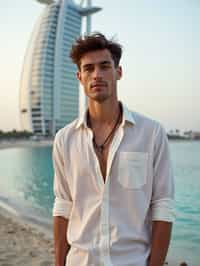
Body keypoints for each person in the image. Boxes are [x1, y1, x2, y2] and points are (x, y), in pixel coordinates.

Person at [52, 32, 175, 266]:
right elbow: (63, 205)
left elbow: (163, 206)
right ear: (79, 77)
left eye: (104, 66)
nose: (96, 74)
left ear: (118, 72)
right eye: (88, 68)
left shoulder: (151, 133)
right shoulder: (64, 139)